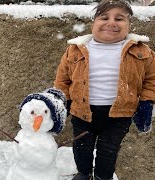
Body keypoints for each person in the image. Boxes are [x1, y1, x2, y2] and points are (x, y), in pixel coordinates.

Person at [54, 0, 155, 179]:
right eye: (104, 17)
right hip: (82, 112)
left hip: (119, 115)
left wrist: (147, 102)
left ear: (129, 25)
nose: (111, 22)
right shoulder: (75, 50)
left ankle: (103, 176)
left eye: (119, 18)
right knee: (81, 149)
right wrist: (61, 103)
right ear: (93, 23)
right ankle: (84, 174)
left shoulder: (142, 51)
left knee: (108, 151)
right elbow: (63, 80)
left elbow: (151, 80)